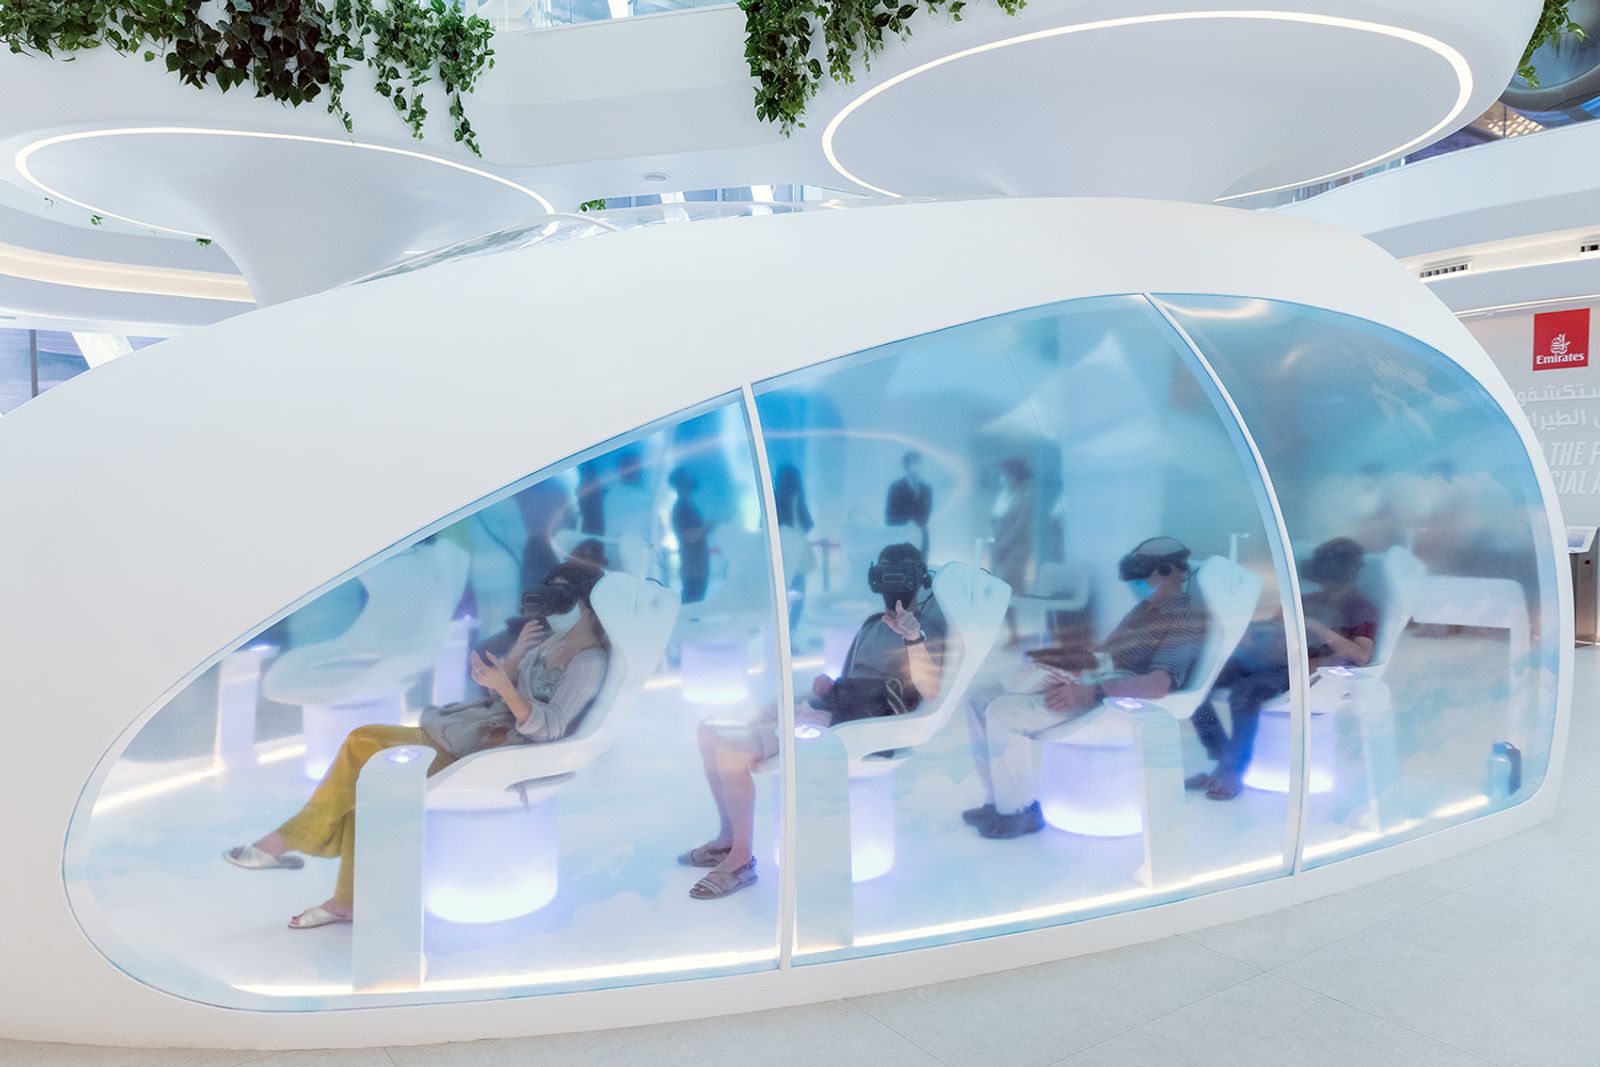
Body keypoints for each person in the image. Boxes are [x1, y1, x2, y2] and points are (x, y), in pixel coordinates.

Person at [223, 562, 611, 929]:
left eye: (564, 599)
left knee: (363, 745)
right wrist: (510, 662)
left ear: (589, 605)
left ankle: (286, 842)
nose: (554, 608)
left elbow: (550, 729)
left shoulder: (589, 662)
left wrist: (506, 685)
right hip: (477, 734)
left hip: (498, 756)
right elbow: (497, 698)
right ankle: (344, 900)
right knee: (367, 780)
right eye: (551, 596)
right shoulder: (550, 642)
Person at [680, 543, 946, 898]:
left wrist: (914, 638)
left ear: (919, 579)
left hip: (852, 725)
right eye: (886, 572)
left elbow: (929, 691)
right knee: (708, 730)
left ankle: (741, 860)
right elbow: (856, 678)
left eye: (900, 573)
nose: (892, 582)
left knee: (730, 751)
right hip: (833, 705)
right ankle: (727, 839)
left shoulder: (925, 628)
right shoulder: (871, 624)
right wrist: (832, 685)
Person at [965, 536, 1205, 838]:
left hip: (1110, 700)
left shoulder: (1184, 620)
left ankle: (1019, 812)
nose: (1135, 583)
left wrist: (1092, 691)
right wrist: (1066, 665)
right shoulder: (1145, 609)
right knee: (979, 697)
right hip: (1093, 679)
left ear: (1168, 571)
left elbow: (1157, 685)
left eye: (1141, 575)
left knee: (1002, 712)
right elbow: (1108, 652)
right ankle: (997, 802)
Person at [1190, 537, 1376, 800]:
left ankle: (1232, 771)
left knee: (1246, 692)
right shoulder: (1306, 599)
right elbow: (1275, 630)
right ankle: (1223, 757)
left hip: (1305, 671)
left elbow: (1361, 655)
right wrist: (1250, 634)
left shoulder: (1361, 608)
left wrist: (1313, 626)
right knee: (1198, 684)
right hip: (1270, 658)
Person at [991, 457, 1035, 647]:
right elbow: (1001, 519)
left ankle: (1015, 634)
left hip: (1016, 552)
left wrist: (1002, 545)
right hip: (1003, 549)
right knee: (1002, 592)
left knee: (1011, 594)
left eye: (1007, 473)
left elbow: (1020, 527)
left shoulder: (1027, 494)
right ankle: (1013, 633)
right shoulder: (1010, 493)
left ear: (1014, 473)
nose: (1004, 477)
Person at [775, 463, 815, 633]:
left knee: (793, 599)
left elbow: (806, 525)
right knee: (792, 599)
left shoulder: (792, 500)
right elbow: (805, 526)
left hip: (793, 558)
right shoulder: (781, 502)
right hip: (789, 558)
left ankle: (788, 636)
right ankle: (786, 636)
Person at [670, 466, 710, 604]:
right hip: (693, 569)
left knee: (693, 605)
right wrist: (707, 526)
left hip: (696, 567)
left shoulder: (686, 507)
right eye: (686, 485)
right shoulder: (682, 509)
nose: (689, 489)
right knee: (691, 608)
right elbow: (690, 538)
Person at [885, 451, 933, 556]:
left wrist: (917, 526)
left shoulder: (927, 489)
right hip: (901, 539)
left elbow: (927, 512)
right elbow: (890, 515)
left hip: (922, 538)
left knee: (921, 567)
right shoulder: (896, 487)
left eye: (918, 462)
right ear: (906, 465)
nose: (916, 466)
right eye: (913, 462)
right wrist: (905, 527)